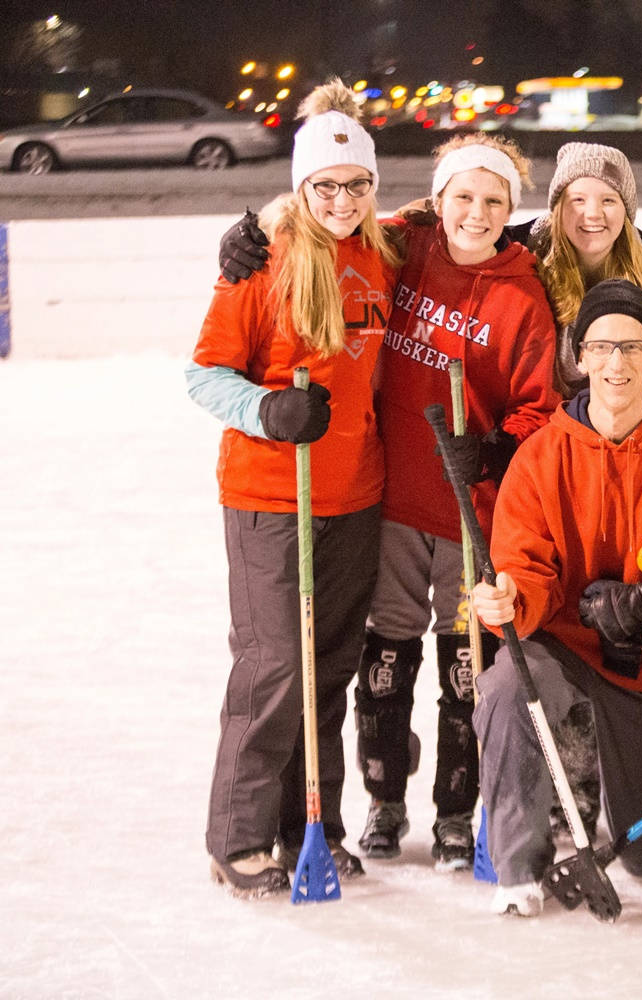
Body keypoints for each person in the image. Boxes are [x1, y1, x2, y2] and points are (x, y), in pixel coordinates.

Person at [468, 279, 642, 917]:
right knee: (509, 681)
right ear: (581, 357)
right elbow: (524, 563)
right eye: (602, 347)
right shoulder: (540, 459)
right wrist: (515, 598)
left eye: (631, 348)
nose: (616, 363)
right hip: (565, 648)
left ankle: (629, 774)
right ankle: (518, 869)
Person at [187, 81, 401, 898]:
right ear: (300, 187)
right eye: (324, 186)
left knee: (329, 669)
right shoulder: (264, 260)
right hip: (273, 494)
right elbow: (203, 374)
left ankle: (312, 824)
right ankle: (236, 837)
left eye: (356, 185)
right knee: (276, 664)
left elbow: (457, 224)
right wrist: (269, 410)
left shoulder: (384, 253)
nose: (341, 200)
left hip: (354, 492)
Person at [350, 133, 560, 870]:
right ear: (438, 200)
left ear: (510, 209)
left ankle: (451, 813)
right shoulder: (405, 249)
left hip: (471, 516)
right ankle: (383, 800)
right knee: (384, 666)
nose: (476, 212)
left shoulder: (522, 296)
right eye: (463, 196)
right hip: (393, 504)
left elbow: (541, 409)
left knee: (463, 670)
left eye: (493, 200)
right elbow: (332, 228)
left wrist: (497, 447)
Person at [514, 142, 642, 404]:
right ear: (558, 210)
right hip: (534, 436)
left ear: (626, 211)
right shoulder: (517, 262)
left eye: (608, 200)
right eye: (578, 200)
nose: (593, 214)